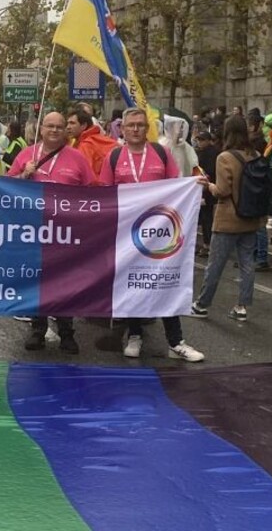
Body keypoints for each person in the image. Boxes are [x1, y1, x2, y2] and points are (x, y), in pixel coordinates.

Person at [97, 108, 205, 362]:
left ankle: (176, 342)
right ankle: (134, 335)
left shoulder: (161, 153)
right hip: (127, 234)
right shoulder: (113, 156)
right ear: (123, 129)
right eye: (131, 125)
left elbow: (176, 185)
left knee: (165, 282)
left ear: (148, 128)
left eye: (140, 125)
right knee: (133, 283)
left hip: (159, 231)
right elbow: (104, 193)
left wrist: (194, 185)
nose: (135, 129)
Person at [9, 111, 94, 354]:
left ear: (65, 130)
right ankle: (38, 329)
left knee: (65, 281)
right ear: (41, 128)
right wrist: (24, 174)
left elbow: (92, 192)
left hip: (66, 232)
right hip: (34, 231)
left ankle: (67, 332)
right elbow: (6, 187)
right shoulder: (26, 155)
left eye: (59, 126)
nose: (55, 130)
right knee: (38, 281)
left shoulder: (77, 158)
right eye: (50, 126)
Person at [191, 116, 268, 321]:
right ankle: (242, 307)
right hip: (250, 216)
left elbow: (222, 190)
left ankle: (202, 304)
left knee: (215, 264)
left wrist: (208, 185)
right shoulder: (255, 154)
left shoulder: (224, 157)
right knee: (247, 264)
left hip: (228, 218)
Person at [68, 108, 118, 177]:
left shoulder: (86, 145)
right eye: (67, 123)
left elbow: (86, 175)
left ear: (83, 126)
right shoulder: (98, 138)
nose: (68, 127)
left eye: (72, 123)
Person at [194, 131, 218, 255]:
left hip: (208, 187)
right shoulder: (201, 152)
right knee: (205, 217)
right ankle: (207, 243)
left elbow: (208, 171)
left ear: (209, 140)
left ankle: (208, 244)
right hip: (205, 186)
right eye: (198, 140)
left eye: (202, 140)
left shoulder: (211, 153)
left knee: (206, 217)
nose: (200, 142)